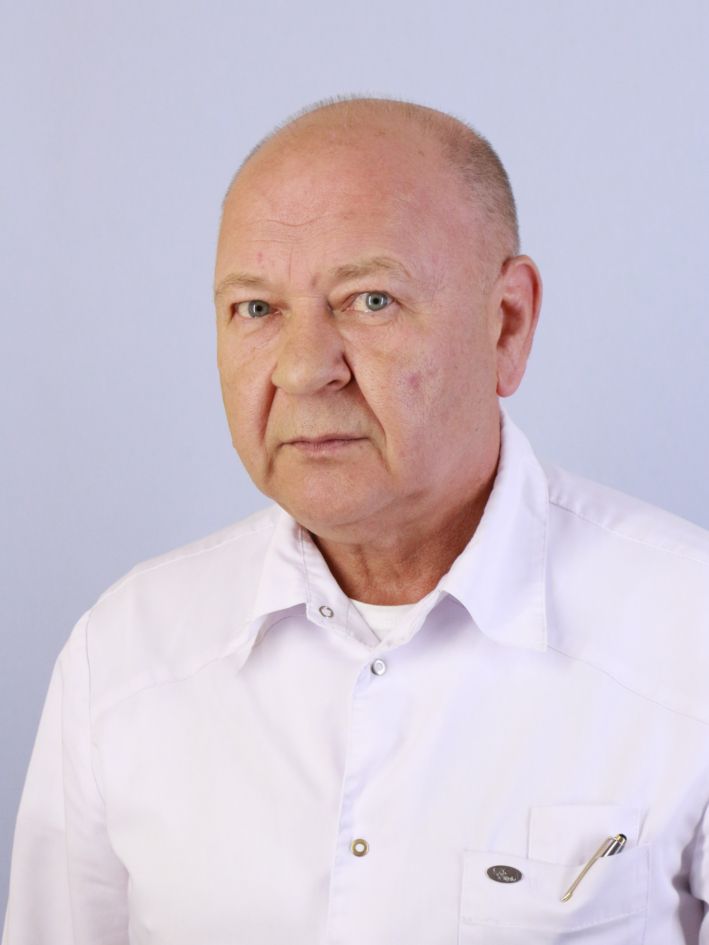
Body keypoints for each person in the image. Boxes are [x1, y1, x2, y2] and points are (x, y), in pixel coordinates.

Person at [3, 95, 709, 945]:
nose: (304, 370)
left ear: (506, 323)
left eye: (370, 300)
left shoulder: (687, 637)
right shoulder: (123, 657)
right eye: (255, 309)